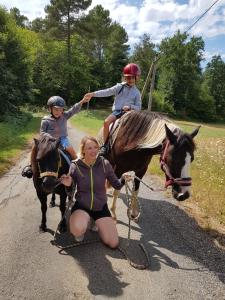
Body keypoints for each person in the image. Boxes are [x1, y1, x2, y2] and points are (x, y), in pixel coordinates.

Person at [60, 136, 132, 248]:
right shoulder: (75, 166)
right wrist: (68, 185)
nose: (93, 151)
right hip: (82, 206)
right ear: (83, 150)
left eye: (95, 147)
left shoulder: (105, 164)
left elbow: (117, 185)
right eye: (89, 148)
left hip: (101, 206)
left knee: (113, 243)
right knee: (77, 229)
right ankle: (83, 226)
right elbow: (70, 192)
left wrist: (123, 179)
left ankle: (95, 221)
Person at [22, 95, 90, 178]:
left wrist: (82, 101)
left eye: (60, 109)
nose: (58, 111)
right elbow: (42, 132)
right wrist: (50, 137)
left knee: (70, 149)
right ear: (50, 109)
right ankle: (30, 166)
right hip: (48, 140)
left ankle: (78, 166)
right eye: (55, 109)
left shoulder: (65, 116)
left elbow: (73, 109)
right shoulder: (45, 120)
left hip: (62, 139)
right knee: (35, 147)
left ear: (63, 110)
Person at [84, 63, 142, 156]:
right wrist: (93, 94)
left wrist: (130, 107)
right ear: (124, 78)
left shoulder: (137, 93)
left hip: (130, 114)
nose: (130, 80)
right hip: (118, 111)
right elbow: (107, 91)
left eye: (132, 77)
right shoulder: (120, 87)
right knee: (106, 122)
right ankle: (105, 146)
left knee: (137, 129)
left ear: (137, 78)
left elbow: (138, 108)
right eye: (128, 77)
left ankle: (137, 148)